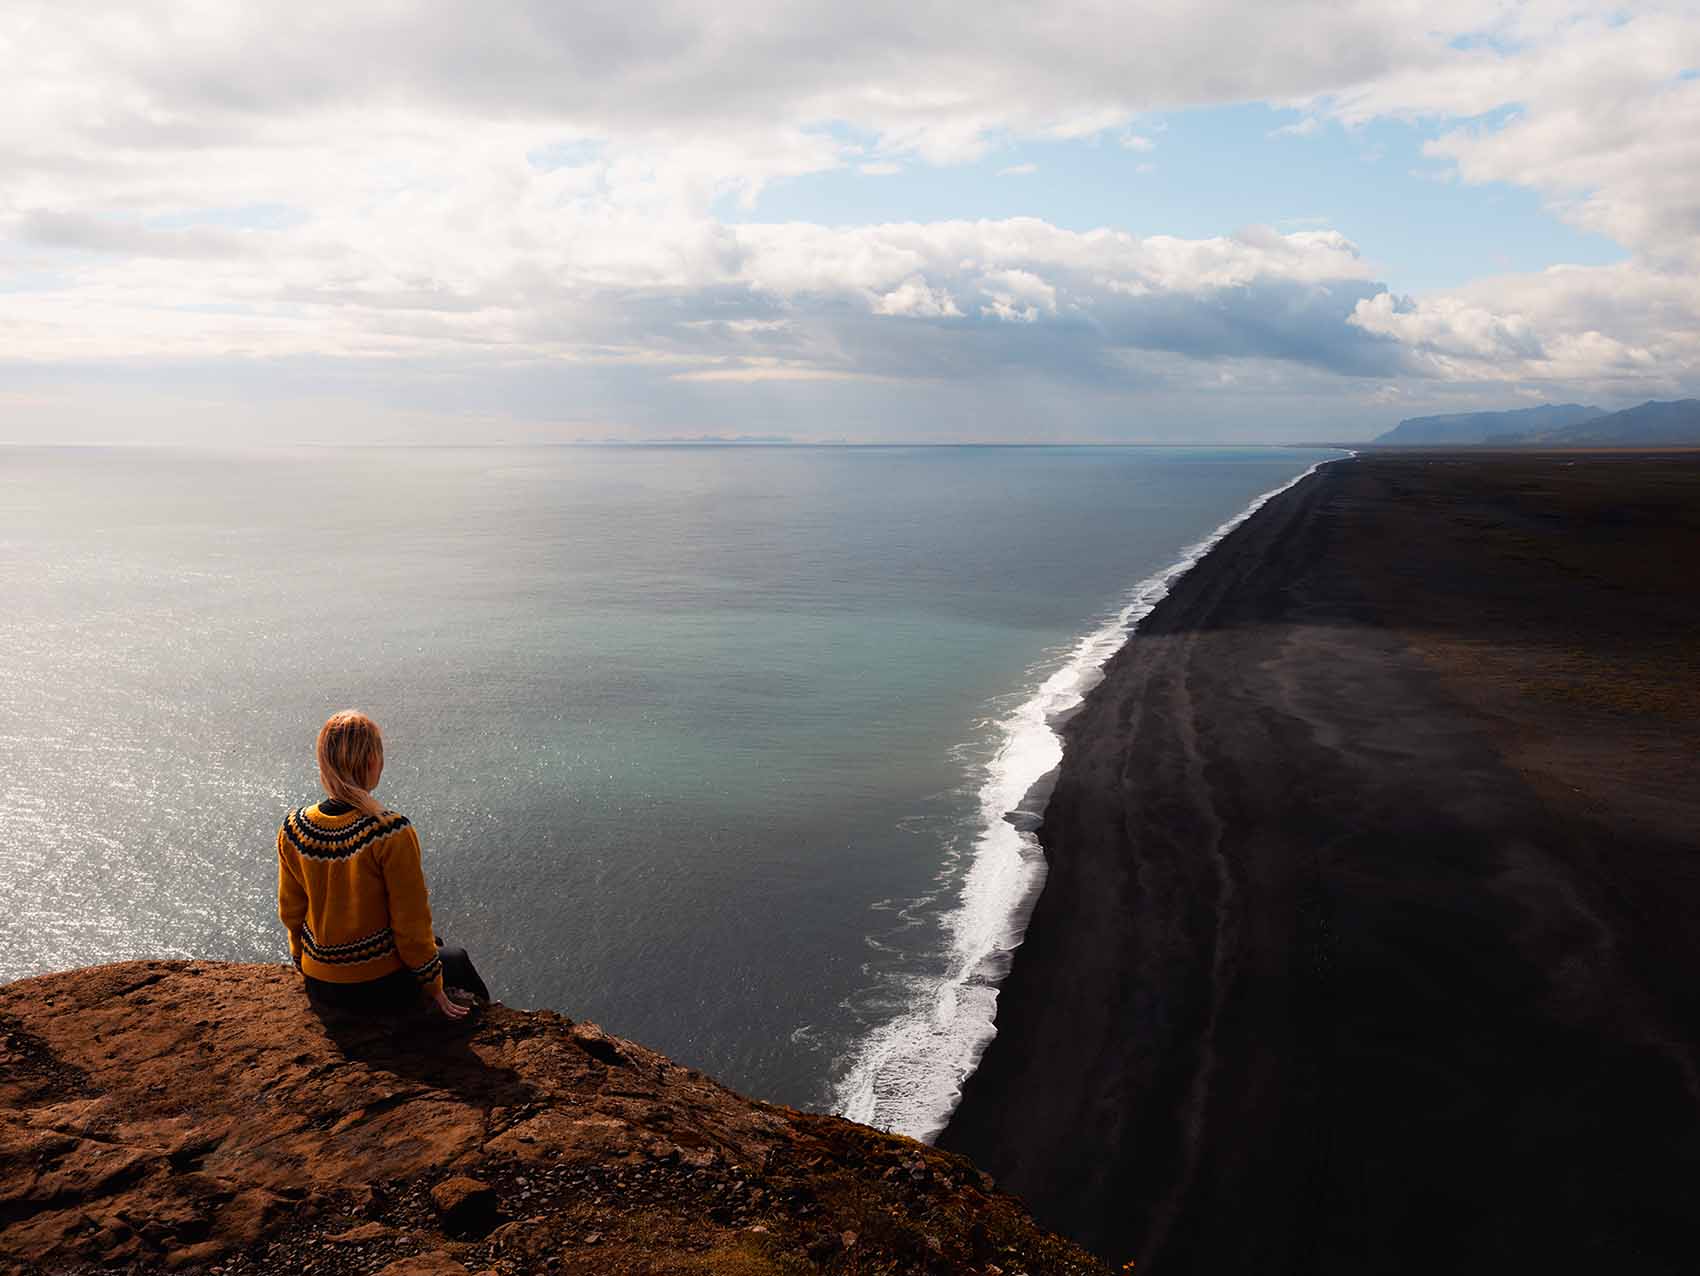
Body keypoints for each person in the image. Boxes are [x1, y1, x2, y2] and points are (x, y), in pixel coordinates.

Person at [277, 709, 489, 1019]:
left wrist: (302, 961)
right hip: (376, 986)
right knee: (455, 958)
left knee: (436, 944)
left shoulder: (294, 828)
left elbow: (291, 912)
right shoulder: (390, 831)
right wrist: (435, 988)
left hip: (320, 981)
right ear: (371, 762)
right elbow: (410, 924)